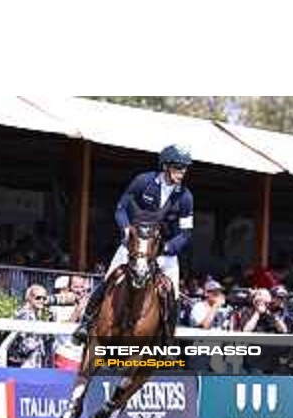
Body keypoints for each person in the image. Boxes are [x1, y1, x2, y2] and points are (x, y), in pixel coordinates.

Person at [73, 144, 195, 344]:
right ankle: (85, 324)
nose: (182, 172)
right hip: (134, 246)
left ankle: (168, 340)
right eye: (178, 167)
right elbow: (121, 209)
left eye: (184, 168)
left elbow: (186, 233)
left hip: (164, 253)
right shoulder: (143, 182)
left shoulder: (185, 197)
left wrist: (166, 248)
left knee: (172, 294)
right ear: (165, 166)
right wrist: (126, 229)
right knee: (108, 280)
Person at [10, 284, 52, 368]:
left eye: (44, 298)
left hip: (34, 361)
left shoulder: (38, 314)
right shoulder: (24, 314)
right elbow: (23, 343)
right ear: (29, 298)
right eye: (38, 298)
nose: (41, 300)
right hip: (23, 363)